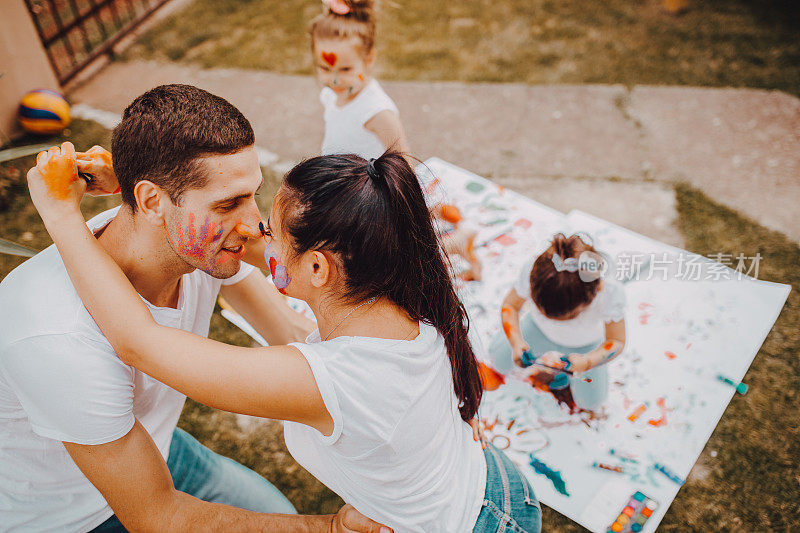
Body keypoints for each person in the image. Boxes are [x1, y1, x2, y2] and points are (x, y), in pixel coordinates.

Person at [27, 144, 542, 532]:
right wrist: (161, 194)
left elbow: (138, 341)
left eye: (270, 229)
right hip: (499, 486)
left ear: (318, 267)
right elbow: (249, 248)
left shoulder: (328, 380)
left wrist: (60, 214)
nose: (252, 231)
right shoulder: (399, 293)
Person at [0, 84, 389, 533]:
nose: (252, 223)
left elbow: (290, 314)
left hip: (152, 443)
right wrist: (328, 529)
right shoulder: (58, 338)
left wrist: (373, 377)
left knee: (274, 508)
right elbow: (157, 517)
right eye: (228, 204)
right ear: (151, 203)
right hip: (69, 514)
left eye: (251, 194)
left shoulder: (196, 245)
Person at [310, 0, 482, 280]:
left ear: (369, 59)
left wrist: (402, 208)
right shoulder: (332, 95)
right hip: (348, 190)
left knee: (395, 262)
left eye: (345, 70)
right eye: (325, 68)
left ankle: (456, 243)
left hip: (377, 196)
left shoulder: (376, 111)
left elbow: (403, 158)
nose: (334, 79)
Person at [491, 233, 627, 411]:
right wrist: (516, 342)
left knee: (592, 404)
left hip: (586, 346)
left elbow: (616, 341)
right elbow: (510, 305)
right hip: (536, 329)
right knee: (498, 360)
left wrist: (588, 361)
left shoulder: (610, 293)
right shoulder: (535, 269)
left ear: (596, 291)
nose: (553, 320)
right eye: (542, 310)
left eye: (568, 317)